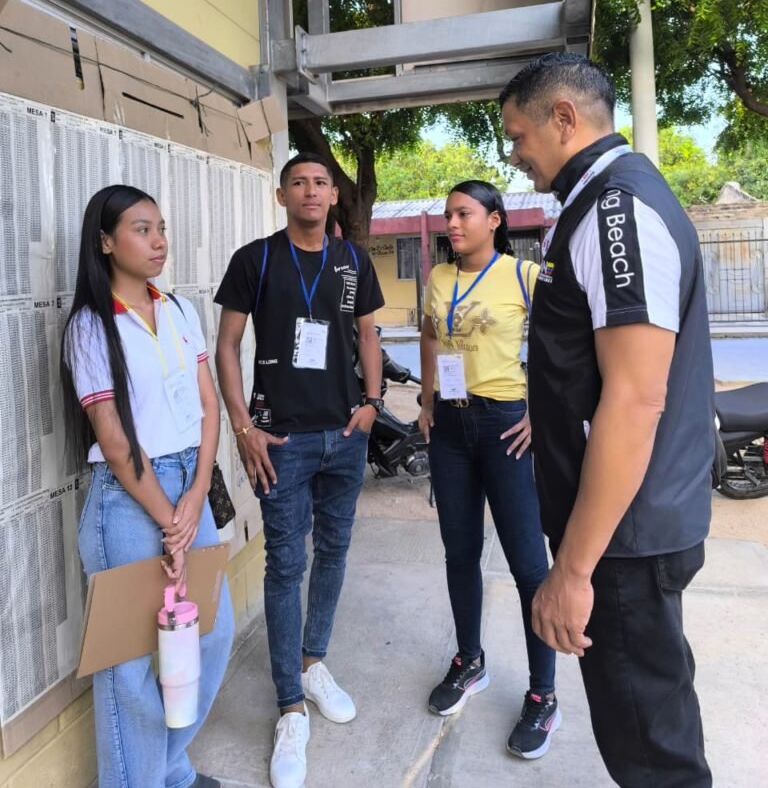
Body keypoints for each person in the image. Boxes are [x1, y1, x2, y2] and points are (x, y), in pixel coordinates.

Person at [500, 53, 713, 787]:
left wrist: (573, 570)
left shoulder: (616, 209)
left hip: (623, 541)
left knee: (652, 755)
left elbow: (635, 398)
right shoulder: (598, 203)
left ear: (564, 118)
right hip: (624, 530)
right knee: (649, 728)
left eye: (519, 135)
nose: (515, 154)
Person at [214, 152, 384, 788]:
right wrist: (242, 428)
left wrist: (372, 404)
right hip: (280, 440)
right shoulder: (255, 260)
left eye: (320, 183)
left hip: (345, 434)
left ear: (334, 194)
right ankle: (290, 705)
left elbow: (367, 335)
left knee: (334, 549)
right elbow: (227, 346)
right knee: (286, 564)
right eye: (298, 183)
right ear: (281, 195)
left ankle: (313, 664)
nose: (310, 191)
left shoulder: (352, 261)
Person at [61, 184, 234, 788]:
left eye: (161, 228)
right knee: (129, 664)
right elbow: (113, 439)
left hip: (189, 489)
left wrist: (196, 493)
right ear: (106, 242)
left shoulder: (180, 310)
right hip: (129, 498)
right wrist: (169, 519)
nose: (159, 241)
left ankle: (164, 768)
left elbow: (209, 406)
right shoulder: (91, 326)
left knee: (212, 632)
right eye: (141, 229)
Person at [417, 180, 560, 760]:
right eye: (448, 215)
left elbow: (561, 345)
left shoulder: (524, 276)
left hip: (505, 427)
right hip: (450, 428)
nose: (452, 224)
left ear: (495, 220)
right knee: (459, 554)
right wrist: (427, 400)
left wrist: (540, 411)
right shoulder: (438, 278)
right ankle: (470, 660)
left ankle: (543, 694)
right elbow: (430, 334)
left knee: (529, 565)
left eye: (464, 214)